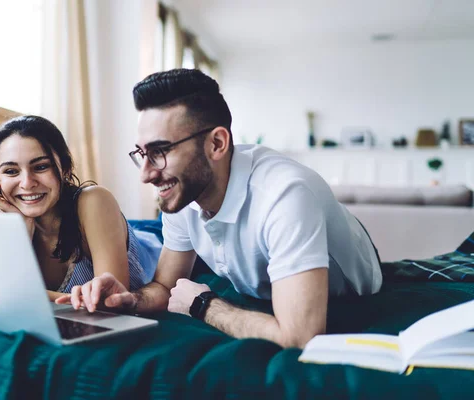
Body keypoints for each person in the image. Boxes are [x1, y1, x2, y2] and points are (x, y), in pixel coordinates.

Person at [58, 69, 382, 348]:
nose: (146, 174)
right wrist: (130, 300)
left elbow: (300, 337)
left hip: (355, 283)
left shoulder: (285, 195)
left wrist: (203, 304)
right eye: (142, 154)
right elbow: (165, 286)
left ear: (216, 143)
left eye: (161, 151)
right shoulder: (183, 194)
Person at [0, 115, 158, 302]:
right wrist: (20, 229)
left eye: (40, 167)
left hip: (152, 240)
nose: (26, 183)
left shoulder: (94, 200)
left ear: (65, 168)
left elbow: (112, 300)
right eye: (10, 171)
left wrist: (17, 291)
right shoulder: (4, 218)